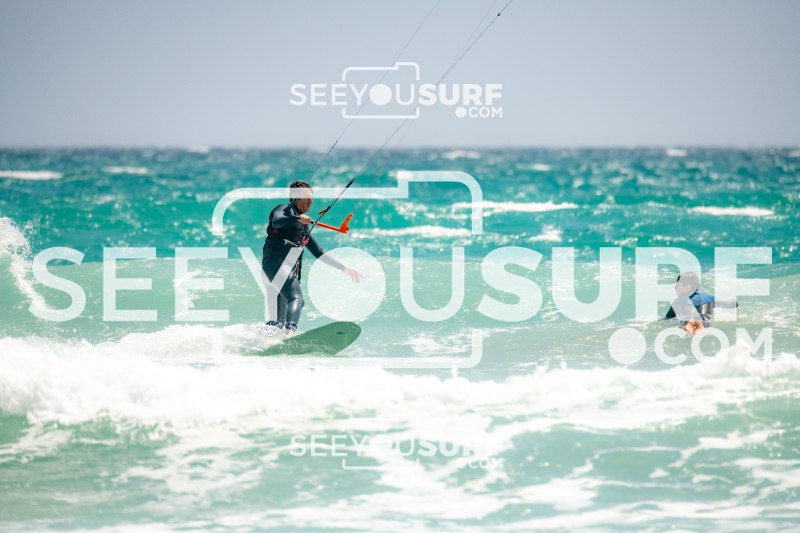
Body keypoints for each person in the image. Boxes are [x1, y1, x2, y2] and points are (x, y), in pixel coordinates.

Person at [261, 180, 363, 332]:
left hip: (274, 270)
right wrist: (297, 218)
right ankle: (290, 333)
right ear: (294, 197)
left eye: (311, 197)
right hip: (276, 265)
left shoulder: (303, 226)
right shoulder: (283, 210)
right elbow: (276, 222)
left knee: (276, 325)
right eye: (306, 197)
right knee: (296, 299)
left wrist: (344, 268)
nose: (310, 200)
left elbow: (318, 251)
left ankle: (265, 340)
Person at [663, 271, 738, 334]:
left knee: (689, 319)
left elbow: (667, 318)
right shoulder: (710, 298)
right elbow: (734, 304)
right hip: (704, 318)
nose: (675, 287)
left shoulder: (678, 300)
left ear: (687, 288)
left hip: (688, 317)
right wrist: (731, 300)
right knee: (704, 321)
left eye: (678, 285)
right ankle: (700, 325)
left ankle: (690, 323)